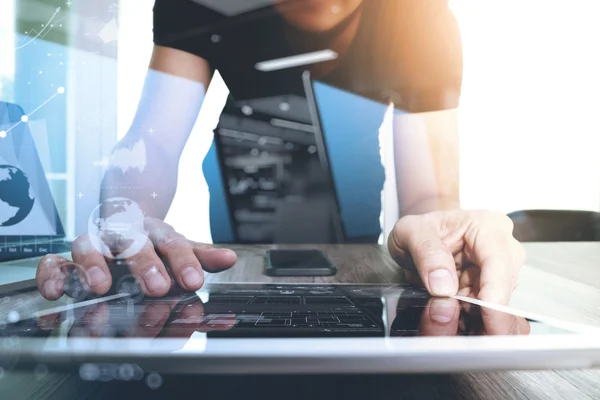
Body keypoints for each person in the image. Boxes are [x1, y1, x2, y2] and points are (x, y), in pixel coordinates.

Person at [35, 0, 524, 306]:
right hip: (239, 240)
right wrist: (130, 220)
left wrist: (437, 238)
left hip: (355, 248)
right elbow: (154, 142)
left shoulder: (421, 16)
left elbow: (430, 197)